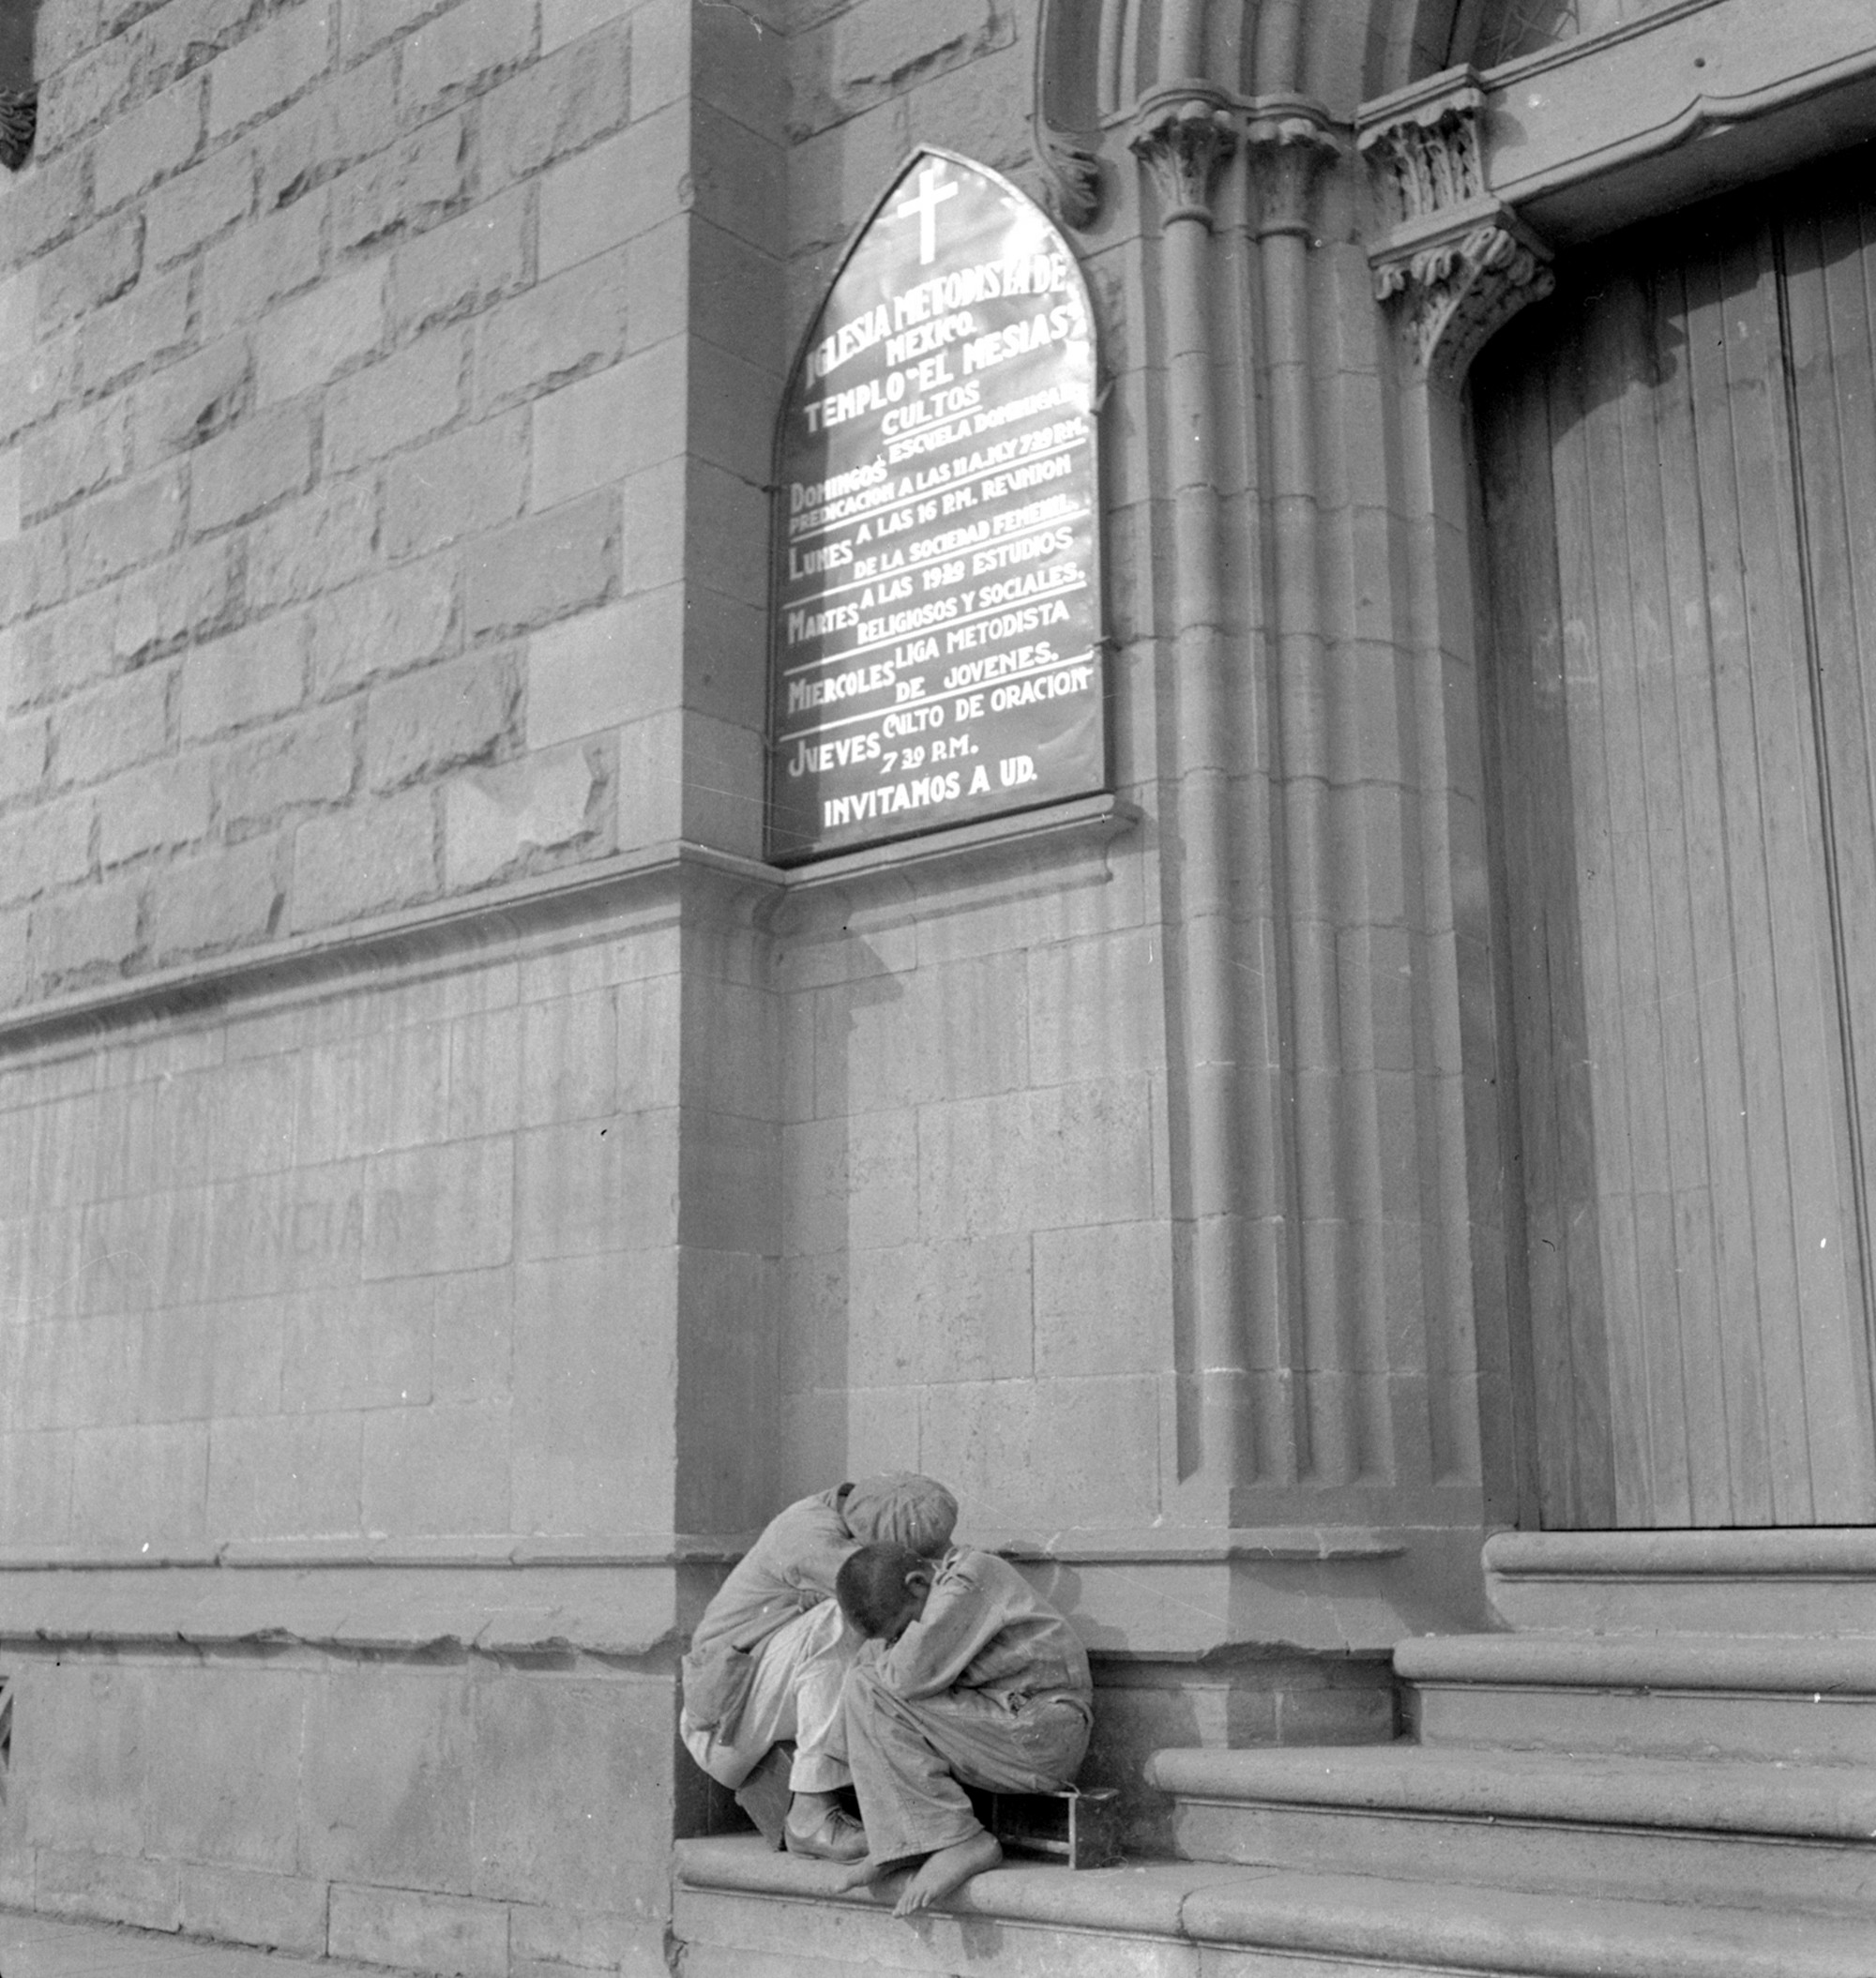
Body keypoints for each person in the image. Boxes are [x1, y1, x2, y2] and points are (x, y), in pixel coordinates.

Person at [679, 1473, 958, 1862]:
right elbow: (920, 1593)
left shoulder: (859, 1514)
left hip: (769, 1699)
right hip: (724, 1723)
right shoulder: (808, 1536)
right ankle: (810, 1815)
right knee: (851, 1611)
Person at [831, 1540, 1094, 1916]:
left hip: (1044, 1734)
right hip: (1009, 1727)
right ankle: (908, 1842)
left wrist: (885, 1653)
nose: (898, 1641)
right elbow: (878, 1665)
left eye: (902, 1630)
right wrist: (888, 1648)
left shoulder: (970, 1579)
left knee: (871, 1686)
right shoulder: (934, 1590)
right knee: (866, 1682)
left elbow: (905, 1676)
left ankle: (961, 1841)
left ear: (918, 1583)